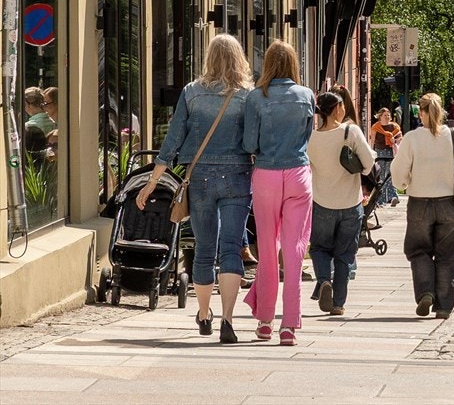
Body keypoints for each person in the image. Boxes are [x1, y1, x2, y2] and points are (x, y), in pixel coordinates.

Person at [136, 34, 253, 344]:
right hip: (238, 175)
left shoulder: (191, 92)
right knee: (231, 248)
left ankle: (203, 313)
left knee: (204, 248)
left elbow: (173, 140)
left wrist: (152, 182)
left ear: (209, 58)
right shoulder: (247, 96)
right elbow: (255, 142)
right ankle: (228, 318)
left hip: (198, 176)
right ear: (239, 59)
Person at [241, 40, 316, 346]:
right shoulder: (306, 95)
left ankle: (265, 321)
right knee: (295, 249)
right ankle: (290, 325)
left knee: (268, 251)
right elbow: (307, 136)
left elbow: (248, 143)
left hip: (267, 175)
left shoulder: (256, 97)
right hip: (298, 173)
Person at [391, 93, 454, 319]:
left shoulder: (411, 138)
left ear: (421, 112)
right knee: (449, 255)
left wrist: (404, 183)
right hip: (450, 203)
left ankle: (426, 291)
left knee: (418, 250)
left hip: (419, 202)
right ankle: (444, 306)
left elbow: (398, 173)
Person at [308, 91, 375, 319]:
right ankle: (338, 304)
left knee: (319, 248)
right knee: (345, 254)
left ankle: (324, 279)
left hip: (322, 202)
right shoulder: (350, 131)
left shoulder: (311, 138)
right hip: (350, 203)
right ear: (337, 108)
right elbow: (367, 166)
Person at [369, 108, 402, 207]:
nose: (387, 117)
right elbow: (372, 141)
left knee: (390, 175)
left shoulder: (395, 126)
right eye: (385, 115)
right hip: (379, 154)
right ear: (380, 116)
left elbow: (400, 138)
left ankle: (390, 198)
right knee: (381, 177)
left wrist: (395, 140)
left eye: (388, 115)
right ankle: (383, 199)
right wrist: (371, 153)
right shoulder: (376, 127)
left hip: (391, 153)